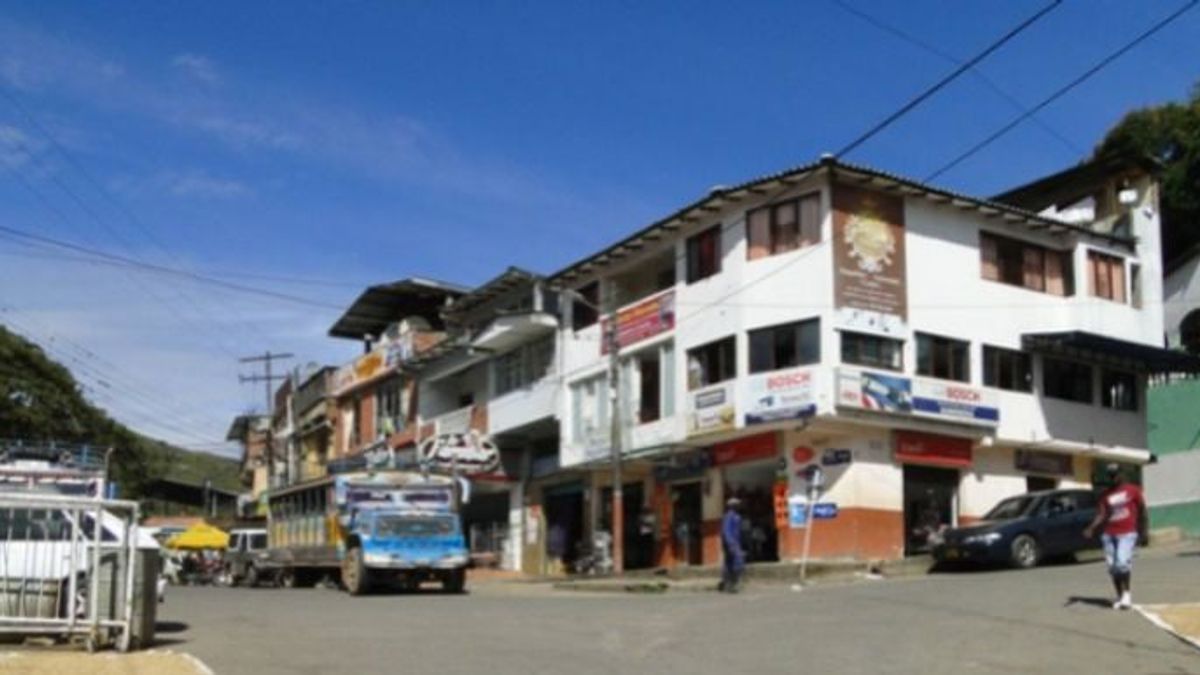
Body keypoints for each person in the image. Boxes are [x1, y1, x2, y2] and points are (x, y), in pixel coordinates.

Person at [1084, 463, 1148, 610]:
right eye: (1111, 475)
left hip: (1127, 532)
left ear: (1122, 474)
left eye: (1116, 474)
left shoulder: (1132, 490)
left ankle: (1127, 594)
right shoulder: (1105, 495)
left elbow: (1142, 510)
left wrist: (1143, 531)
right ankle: (1120, 597)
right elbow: (1102, 514)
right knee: (1113, 568)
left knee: (1122, 563)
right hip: (1109, 534)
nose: (1113, 478)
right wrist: (1091, 528)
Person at [720, 497, 745, 593]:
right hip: (731, 543)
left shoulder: (736, 516)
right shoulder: (729, 516)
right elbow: (726, 531)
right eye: (736, 505)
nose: (738, 506)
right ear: (732, 506)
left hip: (736, 542)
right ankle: (730, 584)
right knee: (734, 563)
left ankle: (730, 584)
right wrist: (730, 543)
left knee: (731, 563)